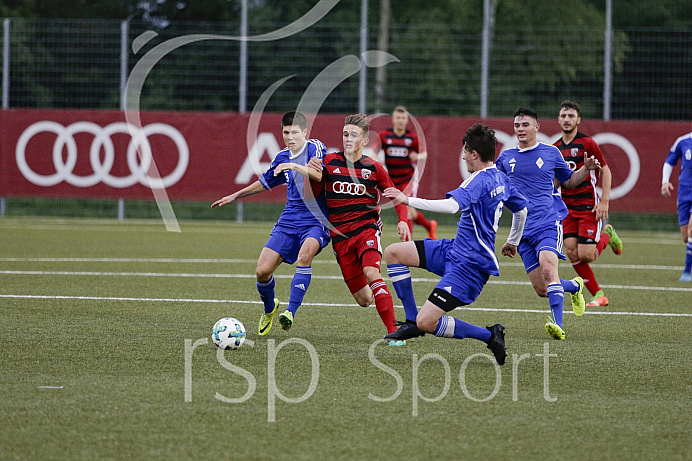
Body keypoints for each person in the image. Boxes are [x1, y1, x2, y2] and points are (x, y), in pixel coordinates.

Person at [382, 123, 528, 365]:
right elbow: (521, 210)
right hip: (453, 250)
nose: (462, 155)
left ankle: (490, 335)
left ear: (474, 154)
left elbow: (451, 207)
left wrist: (406, 199)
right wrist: (512, 241)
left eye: (465, 151)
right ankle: (410, 322)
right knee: (394, 253)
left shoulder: (478, 181)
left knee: (427, 322)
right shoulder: (501, 178)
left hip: (469, 266)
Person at [211, 111, 330, 335]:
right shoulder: (282, 157)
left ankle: (290, 313)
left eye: (295, 132)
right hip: (289, 218)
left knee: (305, 257)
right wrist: (235, 195)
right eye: (286, 132)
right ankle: (270, 308)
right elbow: (265, 182)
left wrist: (294, 167)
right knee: (262, 272)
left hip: (316, 219)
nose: (290, 136)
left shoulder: (315, 147)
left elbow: (318, 175)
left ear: (305, 132)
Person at [495, 107, 601, 341]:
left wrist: (586, 168)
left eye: (525, 125)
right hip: (522, 230)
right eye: (517, 125)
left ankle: (557, 325)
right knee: (542, 289)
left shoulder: (551, 153)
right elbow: (495, 187)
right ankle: (574, 287)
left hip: (548, 222)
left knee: (548, 269)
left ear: (536, 127)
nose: (520, 129)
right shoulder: (505, 158)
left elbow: (569, 181)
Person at [307, 114, 412, 345]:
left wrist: (403, 220)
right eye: (345, 134)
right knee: (364, 299)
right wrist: (312, 172)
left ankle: (394, 333)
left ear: (364, 140)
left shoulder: (374, 168)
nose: (348, 139)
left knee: (372, 273)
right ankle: (385, 309)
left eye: (354, 135)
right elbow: (314, 194)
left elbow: (395, 195)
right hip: (341, 239)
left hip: (367, 230)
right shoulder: (329, 162)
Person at [553, 100, 623, 307]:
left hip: (587, 207)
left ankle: (607, 232)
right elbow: (556, 179)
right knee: (571, 251)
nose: (567, 119)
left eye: (571, 116)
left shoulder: (588, 143)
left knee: (587, 255)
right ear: (558, 119)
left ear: (578, 120)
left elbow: (606, 171)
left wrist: (605, 201)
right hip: (566, 209)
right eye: (564, 116)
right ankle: (599, 294)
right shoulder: (555, 148)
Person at [375, 106, 437, 239]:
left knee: (407, 208)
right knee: (411, 213)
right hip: (392, 180)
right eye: (398, 118)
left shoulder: (412, 137)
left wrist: (417, 156)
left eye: (403, 118)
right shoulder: (384, 135)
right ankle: (429, 226)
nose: (400, 121)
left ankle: (407, 245)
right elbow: (374, 151)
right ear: (392, 119)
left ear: (407, 120)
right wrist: (376, 161)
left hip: (408, 179)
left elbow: (424, 154)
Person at [661, 125, 692, 282]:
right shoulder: (683, 141)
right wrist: (665, 182)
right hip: (685, 194)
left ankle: (687, 271)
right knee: (686, 237)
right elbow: (669, 162)